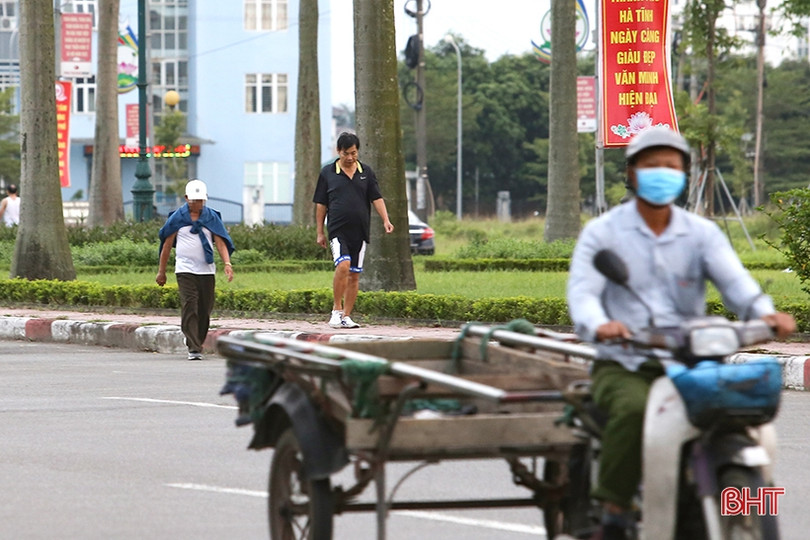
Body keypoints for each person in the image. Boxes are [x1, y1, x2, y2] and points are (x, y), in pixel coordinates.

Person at [566, 126, 795, 540]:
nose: (662, 173)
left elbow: (737, 284)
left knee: (750, 424)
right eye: (652, 165)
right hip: (628, 362)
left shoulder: (701, 233)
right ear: (632, 173)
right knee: (634, 411)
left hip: (694, 360)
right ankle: (615, 514)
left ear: (685, 174)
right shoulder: (603, 233)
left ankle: (753, 510)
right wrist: (601, 324)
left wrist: (766, 314)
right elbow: (583, 295)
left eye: (671, 166)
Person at [313, 132, 394, 329]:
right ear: (338, 151)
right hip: (337, 230)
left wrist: (386, 220)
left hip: (360, 231)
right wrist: (320, 232)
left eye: (353, 153)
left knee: (354, 274)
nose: (350, 157)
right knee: (343, 266)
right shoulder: (327, 173)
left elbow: (376, 198)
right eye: (346, 153)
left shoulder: (366, 172)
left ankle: (347, 316)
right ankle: (336, 310)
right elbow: (321, 205)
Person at [156, 179, 235, 360]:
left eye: (200, 200)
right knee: (190, 305)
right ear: (186, 198)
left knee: (205, 308)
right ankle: (194, 347)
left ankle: (195, 338)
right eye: (194, 200)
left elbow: (220, 242)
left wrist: (227, 263)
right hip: (185, 269)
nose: (197, 204)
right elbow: (167, 245)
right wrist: (161, 271)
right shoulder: (177, 218)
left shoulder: (211, 217)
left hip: (206, 270)